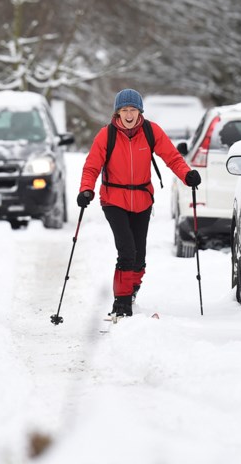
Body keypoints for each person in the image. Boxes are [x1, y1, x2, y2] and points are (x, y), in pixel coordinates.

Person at [77, 89, 201, 317]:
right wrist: (86, 190)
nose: (129, 114)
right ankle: (121, 302)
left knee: (139, 255)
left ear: (139, 111)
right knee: (126, 250)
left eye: (133, 109)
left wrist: (187, 175)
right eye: (124, 110)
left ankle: (131, 289)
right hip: (113, 199)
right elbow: (92, 166)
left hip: (143, 200)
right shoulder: (107, 135)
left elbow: (172, 157)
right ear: (117, 113)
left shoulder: (151, 131)